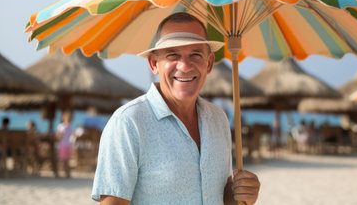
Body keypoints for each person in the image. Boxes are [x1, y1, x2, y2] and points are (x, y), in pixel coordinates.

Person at [92, 12, 260, 205]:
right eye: (173, 55)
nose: (185, 66)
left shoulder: (219, 118)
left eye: (196, 55)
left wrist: (241, 192)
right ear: (154, 63)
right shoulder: (128, 122)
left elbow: (220, 195)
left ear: (209, 63)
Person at [56, 111, 73, 178]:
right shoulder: (70, 126)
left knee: (63, 160)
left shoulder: (62, 126)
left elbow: (59, 136)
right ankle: (67, 173)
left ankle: (64, 173)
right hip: (68, 144)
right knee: (66, 160)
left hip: (63, 144)